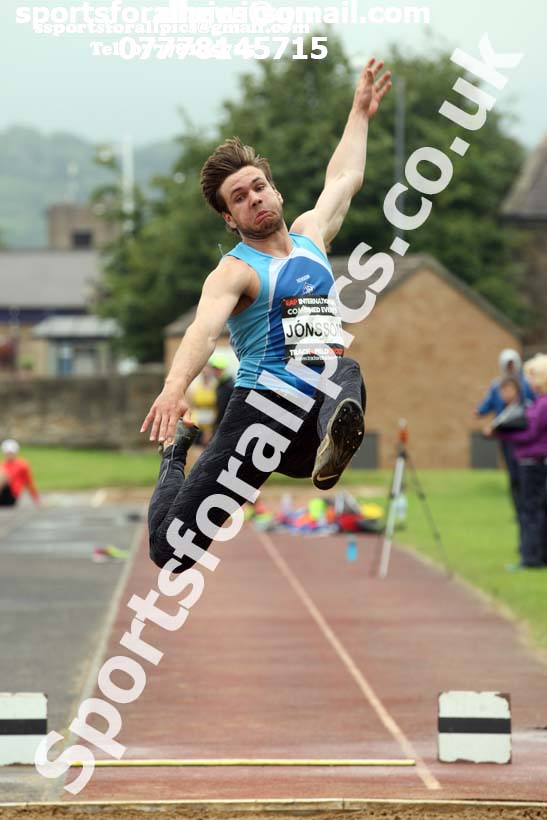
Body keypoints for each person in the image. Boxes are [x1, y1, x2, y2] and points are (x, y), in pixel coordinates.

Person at [141, 58, 392, 572]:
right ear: (230, 218)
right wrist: (174, 388)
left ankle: (334, 444)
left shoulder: (311, 236)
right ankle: (175, 456)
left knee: (343, 366)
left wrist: (359, 114)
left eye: (258, 187)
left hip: (315, 417)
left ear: (273, 190)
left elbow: (344, 176)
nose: (253, 199)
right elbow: (202, 331)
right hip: (260, 413)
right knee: (171, 552)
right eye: (240, 198)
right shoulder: (236, 272)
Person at [485, 353, 547, 570]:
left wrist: (502, 434)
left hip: (533, 463)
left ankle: (531, 557)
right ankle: (536, 554)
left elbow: (530, 434)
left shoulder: (543, 404)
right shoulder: (539, 402)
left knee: (530, 510)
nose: (527, 381)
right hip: (532, 461)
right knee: (534, 509)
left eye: (532, 376)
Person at [475, 349, 536, 516]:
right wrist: (479, 411)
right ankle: (519, 509)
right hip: (506, 436)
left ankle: (526, 509)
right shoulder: (497, 385)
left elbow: (534, 406)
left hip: (522, 435)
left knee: (524, 475)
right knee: (514, 475)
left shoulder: (525, 384)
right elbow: (487, 404)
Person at [0, 439, 40, 507]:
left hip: (11, 495)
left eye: (11, 453)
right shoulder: (2, 465)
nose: (9, 455)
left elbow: (29, 482)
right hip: (2, 494)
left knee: (2, 475)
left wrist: (36, 499)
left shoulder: (22, 465)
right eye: (7, 453)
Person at [208, 353, 235, 433]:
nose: (214, 372)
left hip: (227, 425)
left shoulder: (228, 386)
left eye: (216, 369)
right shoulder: (220, 385)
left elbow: (223, 409)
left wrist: (214, 426)